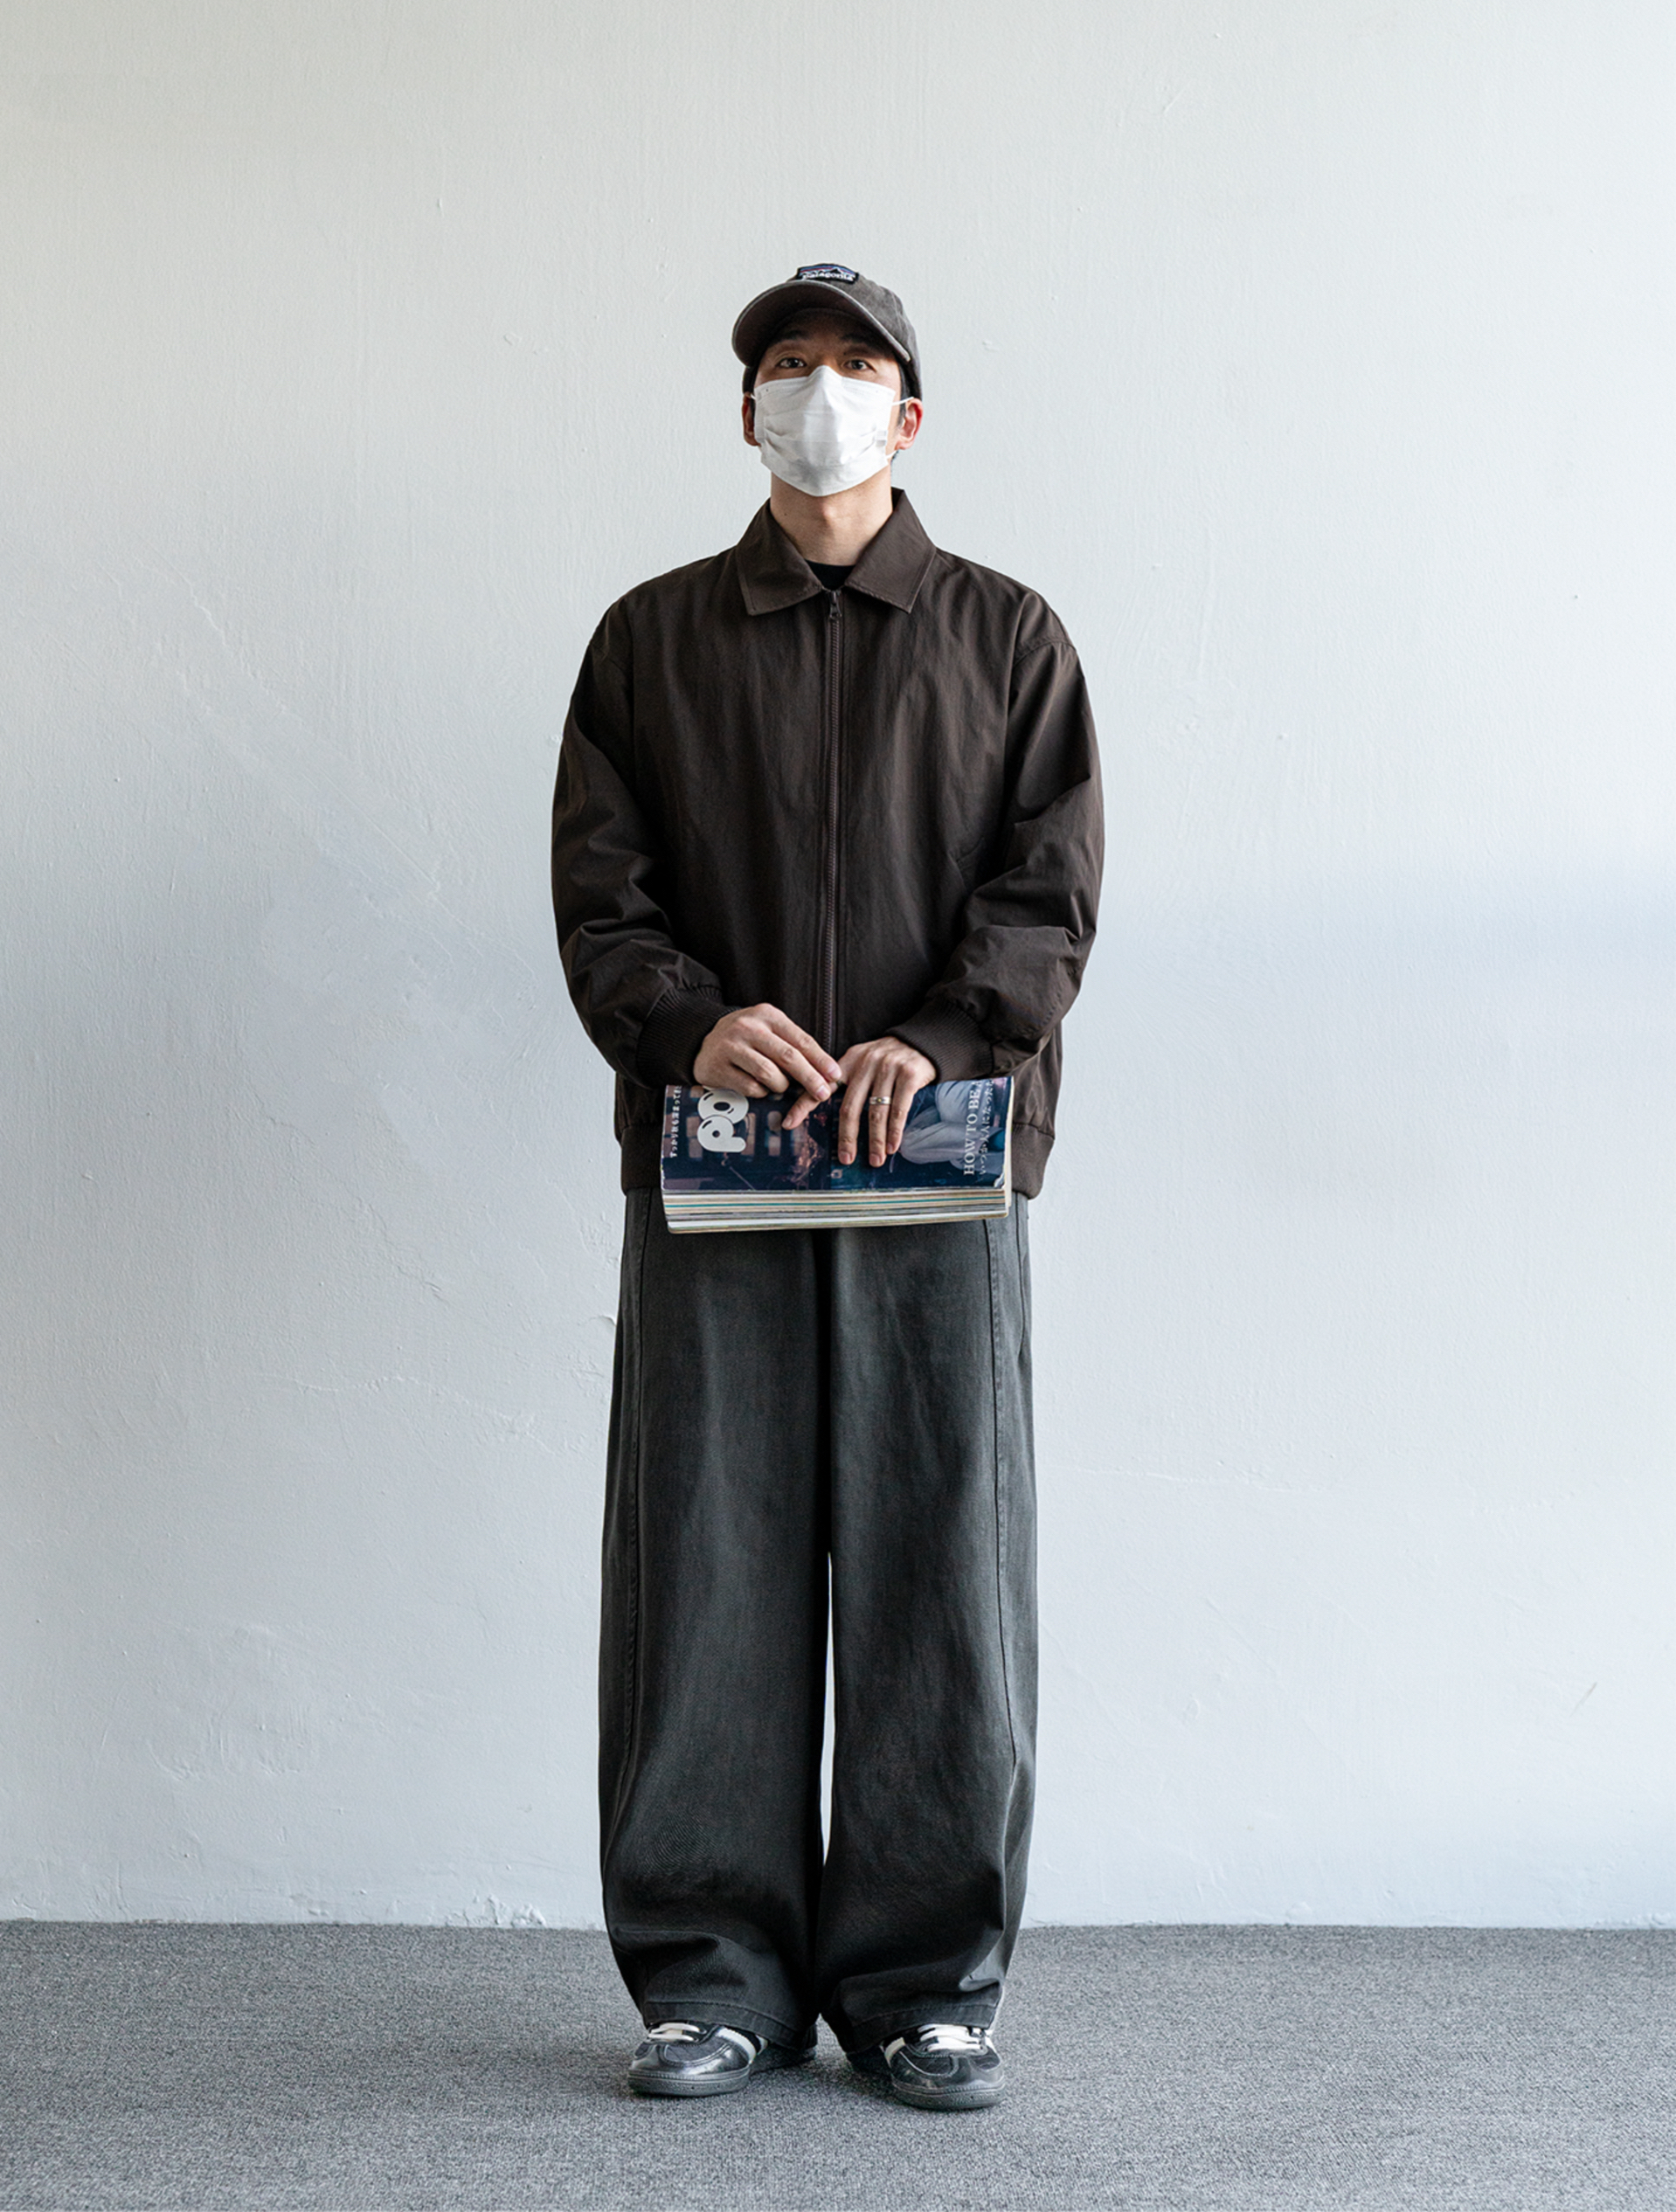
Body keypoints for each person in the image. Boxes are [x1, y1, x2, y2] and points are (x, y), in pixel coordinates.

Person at [551, 265, 1102, 2111]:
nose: (821, 393)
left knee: (941, 1561)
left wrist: (940, 1043)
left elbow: (1048, 895)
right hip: (718, 1176)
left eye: (855, 366)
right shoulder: (650, 642)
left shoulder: (1007, 638)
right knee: (704, 1563)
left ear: (910, 414)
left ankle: (926, 1984)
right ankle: (711, 1977)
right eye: (788, 366)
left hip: (937, 1173)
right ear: (745, 413)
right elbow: (600, 892)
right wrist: (686, 1023)